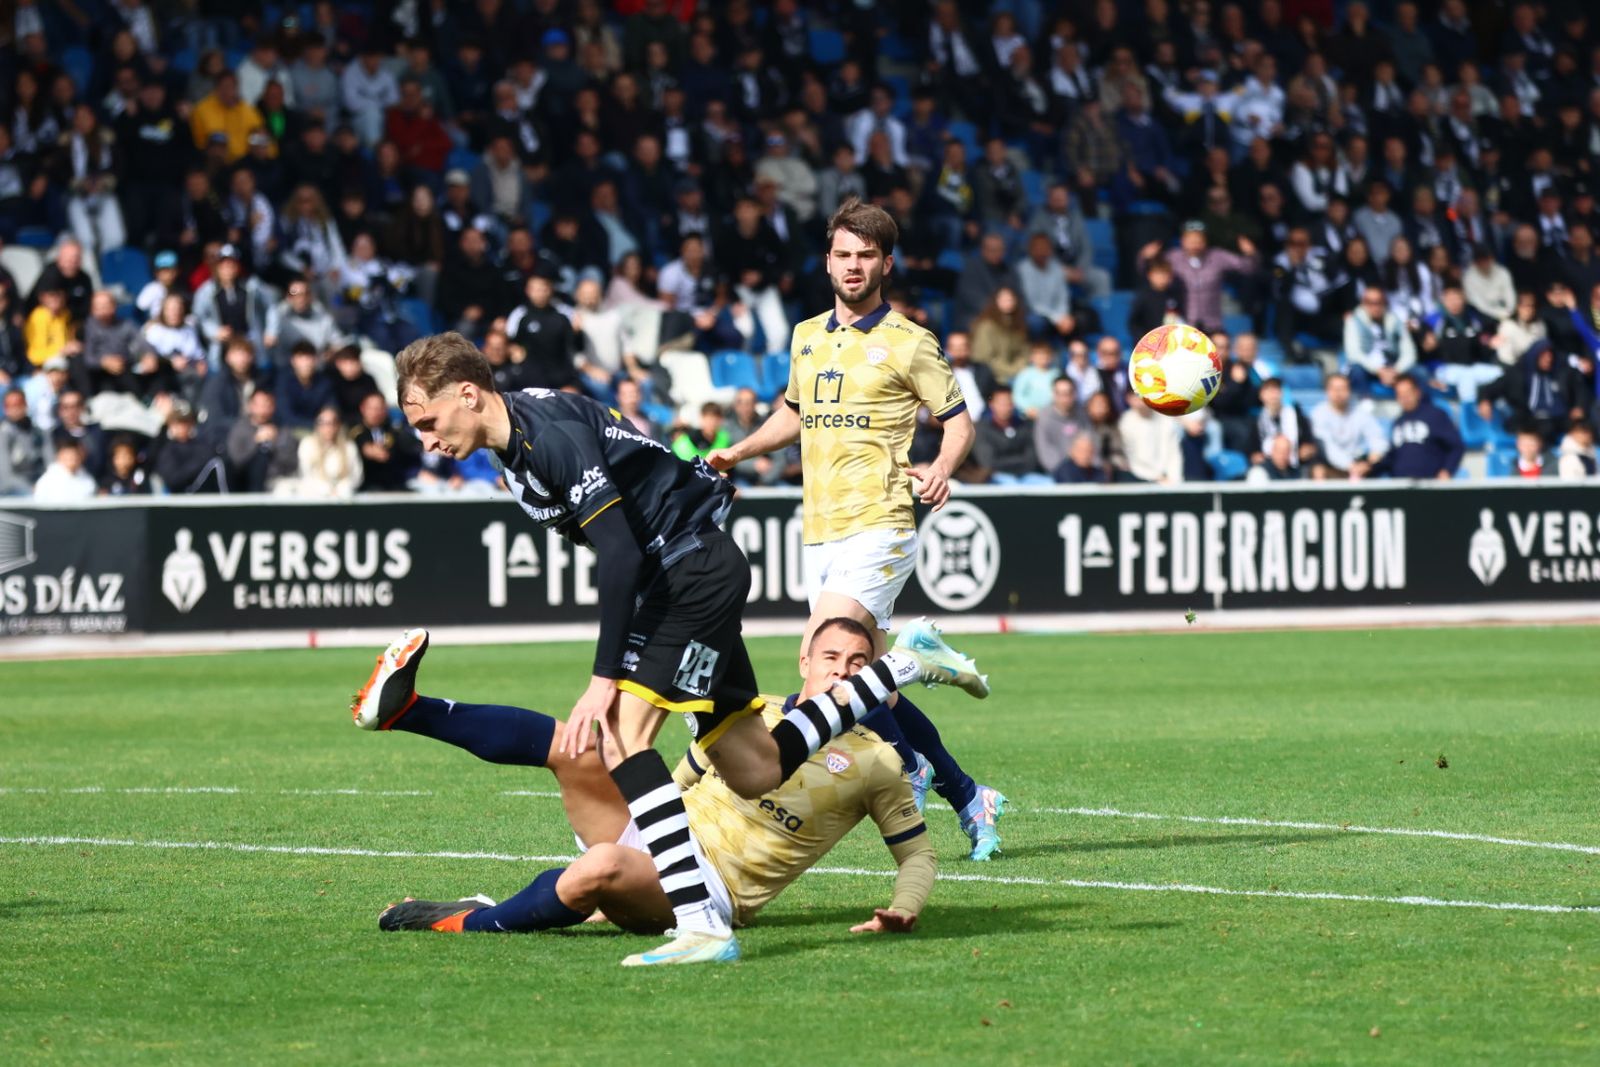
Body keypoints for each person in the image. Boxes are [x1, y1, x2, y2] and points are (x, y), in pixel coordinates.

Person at [384, 330, 987, 964]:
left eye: (427, 420)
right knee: (754, 769)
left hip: (687, 574)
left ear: (469, 395)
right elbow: (636, 461)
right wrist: (690, 487)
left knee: (618, 737)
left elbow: (617, 551)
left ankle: (702, 924)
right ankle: (904, 661)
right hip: (692, 567)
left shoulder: (546, 437)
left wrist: (604, 675)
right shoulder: (525, 427)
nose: (425, 439)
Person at [369, 617, 934, 939]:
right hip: (660, 838)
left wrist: (904, 907)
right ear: (804, 663)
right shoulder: (753, 714)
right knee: (582, 745)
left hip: (710, 891)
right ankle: (407, 710)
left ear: (880, 678)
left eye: (859, 662)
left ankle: (464, 921)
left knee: (601, 867)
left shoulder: (878, 759)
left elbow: (917, 857)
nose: (841, 669)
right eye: (830, 656)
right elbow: (679, 779)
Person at [1356, 375, 1463, 479]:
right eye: (1400, 395)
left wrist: (1447, 470)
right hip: (1401, 486)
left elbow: (1456, 446)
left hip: (1429, 485)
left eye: (1408, 393)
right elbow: (1392, 457)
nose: (1405, 398)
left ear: (1417, 392)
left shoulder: (1435, 415)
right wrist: (1370, 468)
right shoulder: (1398, 422)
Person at [1309, 374, 1387, 478]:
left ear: (1349, 391)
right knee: (1318, 470)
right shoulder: (1318, 414)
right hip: (1332, 466)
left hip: (1359, 465)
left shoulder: (1360, 412)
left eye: (1343, 388)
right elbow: (1328, 448)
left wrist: (1371, 459)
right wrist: (1350, 465)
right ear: (1327, 391)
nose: (1338, 393)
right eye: (1335, 389)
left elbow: (1377, 437)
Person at [1343, 287, 1417, 393]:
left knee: (1418, 372)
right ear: (1363, 303)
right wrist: (1378, 370)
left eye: (1379, 302)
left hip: (1392, 368)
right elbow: (1354, 354)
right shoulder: (1353, 320)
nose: (1375, 307)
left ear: (1384, 303)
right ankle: (1365, 405)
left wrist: (1396, 370)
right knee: (1356, 371)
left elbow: (1409, 352)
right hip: (1367, 367)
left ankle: (1422, 407)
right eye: (1370, 302)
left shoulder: (1395, 320)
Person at [225, 389, 298, 493]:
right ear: (250, 406)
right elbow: (235, 461)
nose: (263, 409)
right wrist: (255, 442)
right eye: (259, 405)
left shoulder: (283, 431)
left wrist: (275, 443)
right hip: (246, 483)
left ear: (273, 407)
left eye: (267, 405)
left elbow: (291, 464)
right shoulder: (240, 429)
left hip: (277, 481)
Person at [974, 386, 1048, 484]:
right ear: (992, 404)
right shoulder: (982, 429)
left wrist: (1005, 462)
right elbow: (988, 462)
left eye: (1009, 403)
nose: (1005, 407)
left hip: (1027, 475)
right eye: (1001, 403)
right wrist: (1018, 461)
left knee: (1048, 483)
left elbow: (1031, 460)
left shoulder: (1025, 426)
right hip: (996, 478)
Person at [353, 391, 420, 491]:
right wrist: (364, 449)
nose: (376, 412)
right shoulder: (356, 433)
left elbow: (412, 448)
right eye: (372, 408)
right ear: (363, 409)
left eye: (380, 408)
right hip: (367, 487)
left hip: (394, 486)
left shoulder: (395, 431)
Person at [296, 406, 362, 498]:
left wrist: (343, 487)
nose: (328, 427)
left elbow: (357, 476)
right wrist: (325, 489)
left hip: (343, 496)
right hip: (315, 495)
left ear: (338, 425)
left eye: (331, 423)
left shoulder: (349, 447)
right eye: (323, 423)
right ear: (317, 426)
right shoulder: (307, 444)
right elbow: (305, 474)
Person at [1118, 392, 1183, 483]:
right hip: (1138, 478)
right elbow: (1131, 458)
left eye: (1142, 395)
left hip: (1167, 479)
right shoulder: (1125, 422)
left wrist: (1174, 479)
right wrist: (1156, 477)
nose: (1139, 400)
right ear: (1128, 399)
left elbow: (1174, 452)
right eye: (1136, 396)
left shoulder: (1166, 419)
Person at [32, 439, 96, 502]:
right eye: (68, 455)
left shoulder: (87, 478)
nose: (73, 459)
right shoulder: (48, 480)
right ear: (60, 456)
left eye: (75, 455)